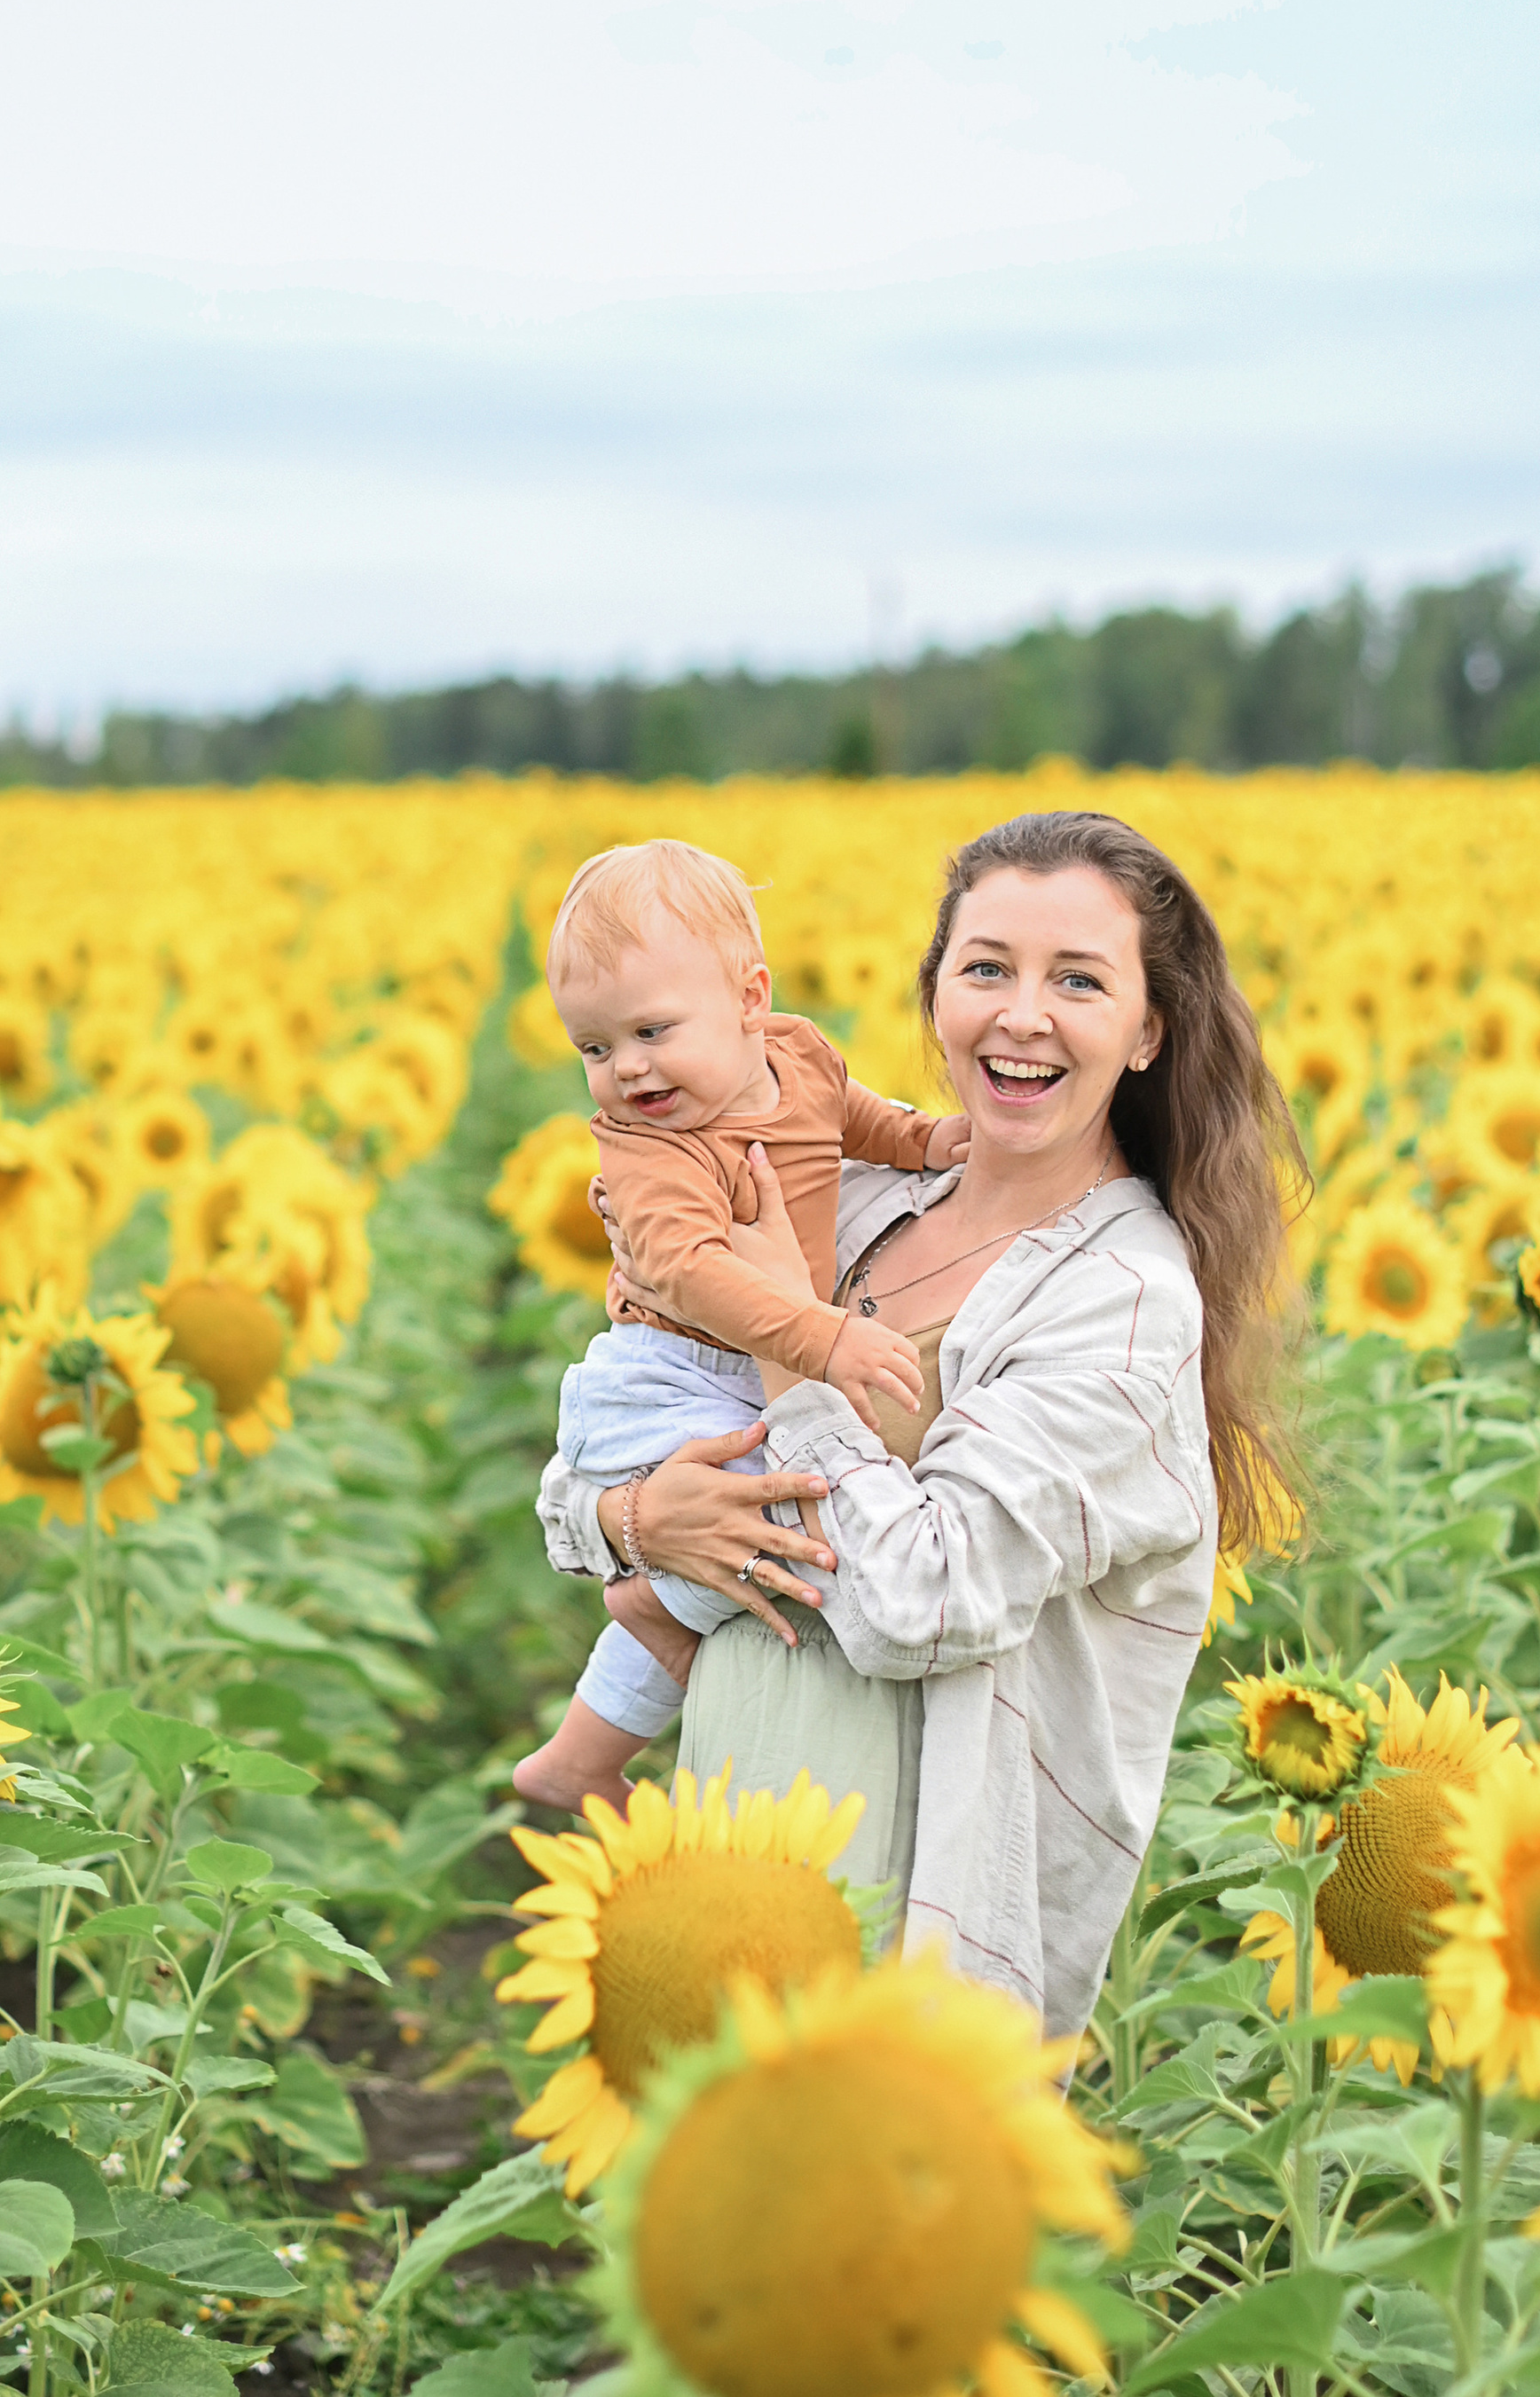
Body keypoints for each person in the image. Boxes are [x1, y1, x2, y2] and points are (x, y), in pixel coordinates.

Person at [535, 807, 1306, 2039]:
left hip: (913, 1936)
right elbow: (607, 1450)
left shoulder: (1119, 1299)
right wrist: (631, 1517)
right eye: (987, 966)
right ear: (937, 991)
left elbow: (925, 1596)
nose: (1021, 1013)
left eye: (1078, 980)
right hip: (732, 1841)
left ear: (1148, 1028)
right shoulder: (852, 1198)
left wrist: (792, 1363)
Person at [513, 838, 969, 1812]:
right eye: (594, 1048)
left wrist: (925, 1139)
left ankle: (649, 1623)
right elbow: (687, 1271)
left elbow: (849, 1115)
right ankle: (596, 1731)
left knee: (800, 1509)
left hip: (737, 1365)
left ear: (751, 1000)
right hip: (666, 1371)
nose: (627, 1069)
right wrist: (819, 1337)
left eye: (651, 1030)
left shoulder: (797, 1056)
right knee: (790, 1517)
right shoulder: (648, 1150)